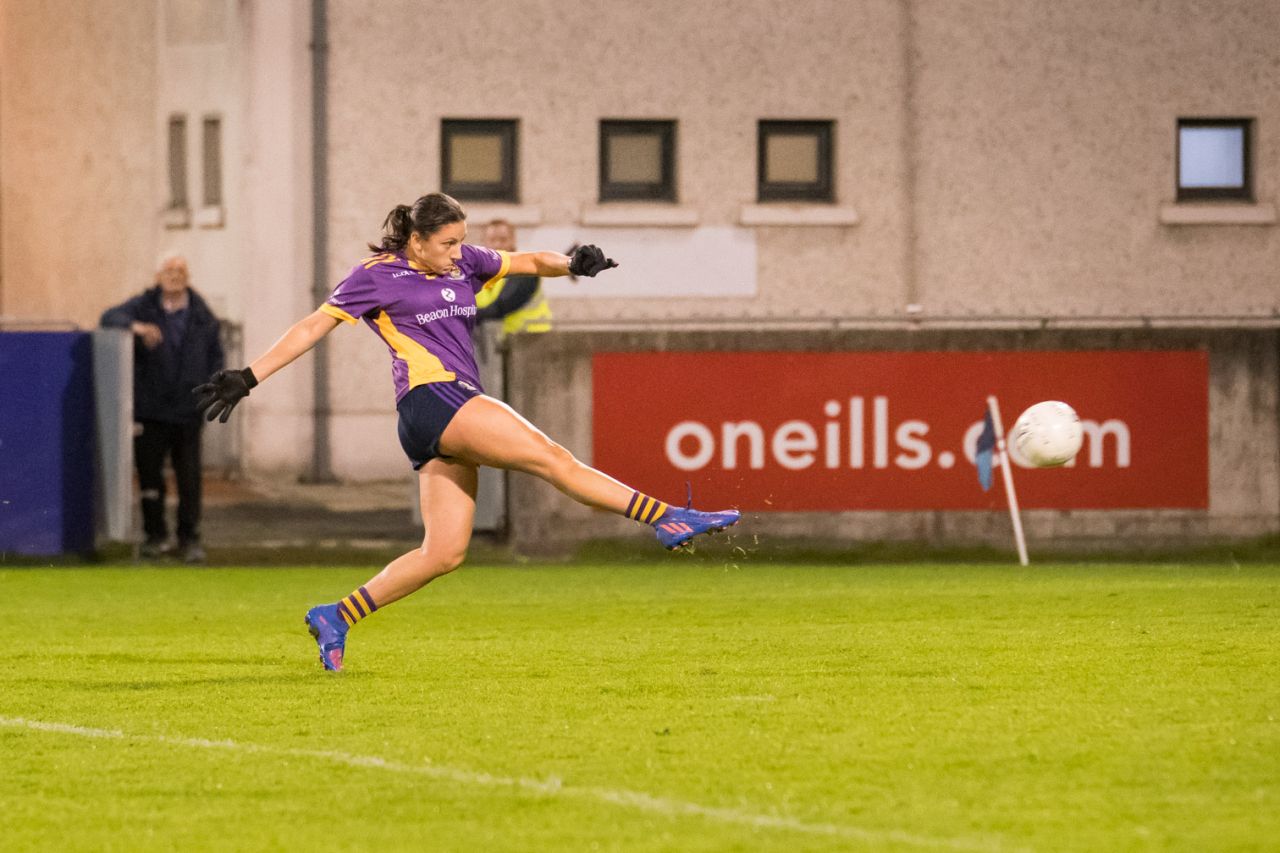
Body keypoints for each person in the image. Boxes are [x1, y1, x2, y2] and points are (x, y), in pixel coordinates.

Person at [194, 192, 740, 672]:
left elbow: (526, 261)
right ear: (417, 240)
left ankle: (336, 614)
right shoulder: (375, 275)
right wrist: (249, 376)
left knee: (444, 553)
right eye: (449, 243)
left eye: (462, 242)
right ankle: (665, 516)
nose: (460, 254)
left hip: (436, 417)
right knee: (552, 458)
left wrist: (572, 261)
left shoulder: (464, 264)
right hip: (437, 398)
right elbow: (315, 324)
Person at [101, 254, 224, 563]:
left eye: (180, 271)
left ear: (188, 275)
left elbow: (215, 358)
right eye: (169, 271)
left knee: (189, 479)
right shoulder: (143, 307)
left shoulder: (201, 315)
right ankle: (154, 537)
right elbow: (109, 318)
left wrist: (210, 393)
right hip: (151, 409)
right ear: (158, 276)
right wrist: (137, 327)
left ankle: (189, 538)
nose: (174, 276)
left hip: (187, 410)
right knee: (150, 477)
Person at [474, 219, 551, 334]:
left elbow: (503, 305)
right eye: (492, 240)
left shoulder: (525, 267)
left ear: (513, 240)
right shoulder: (482, 271)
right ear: (484, 243)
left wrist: (465, 317)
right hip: (502, 339)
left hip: (530, 336)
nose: (497, 245)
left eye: (503, 239)